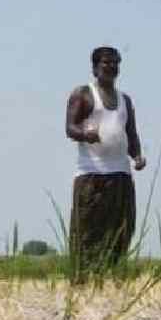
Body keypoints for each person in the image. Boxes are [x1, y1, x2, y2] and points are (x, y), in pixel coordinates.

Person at [65, 46, 146, 284]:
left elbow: (130, 132)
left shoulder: (125, 100)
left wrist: (137, 156)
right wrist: (84, 134)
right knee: (88, 230)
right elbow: (70, 127)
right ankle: (82, 280)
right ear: (94, 68)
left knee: (122, 228)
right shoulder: (83, 94)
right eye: (105, 63)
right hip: (91, 174)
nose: (111, 67)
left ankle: (111, 276)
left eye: (115, 63)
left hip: (120, 174)